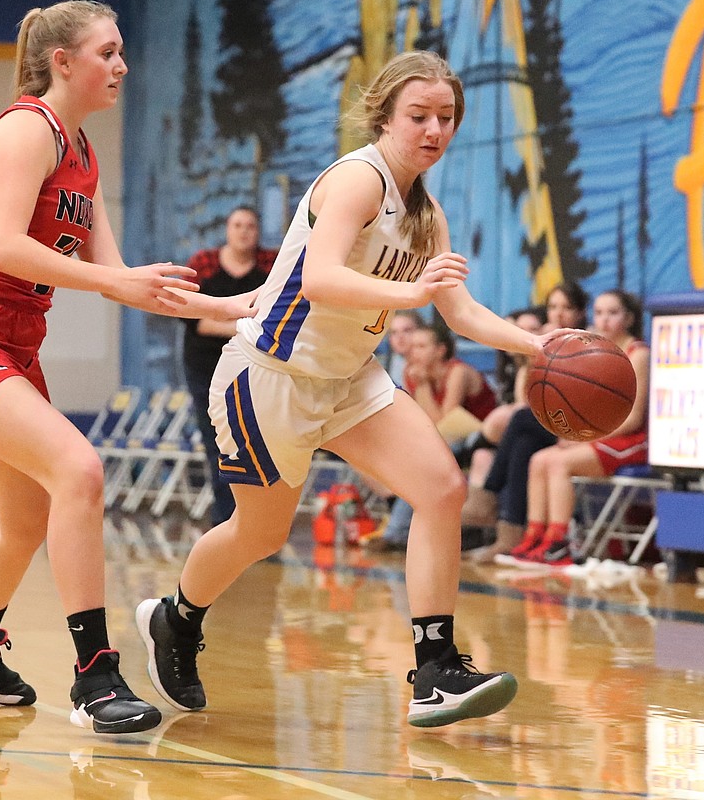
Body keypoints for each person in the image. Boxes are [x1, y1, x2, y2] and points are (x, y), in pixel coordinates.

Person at [134, 50, 572, 729]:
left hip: (348, 380)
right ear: (386, 116)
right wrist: (412, 291)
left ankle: (435, 669)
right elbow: (321, 280)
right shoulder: (357, 181)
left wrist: (539, 344)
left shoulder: (425, 214)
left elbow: (460, 312)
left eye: (446, 117)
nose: (434, 130)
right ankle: (177, 619)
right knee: (259, 534)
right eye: (419, 116)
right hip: (271, 376)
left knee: (442, 489)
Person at [0, 0, 254, 735]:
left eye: (122, 50)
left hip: (14, 346)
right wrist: (112, 283)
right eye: (109, 51)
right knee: (81, 470)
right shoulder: (27, 127)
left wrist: (243, 305)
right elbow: (3, 247)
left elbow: (125, 278)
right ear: (62, 62)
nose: (123, 64)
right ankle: (95, 676)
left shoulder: (85, 156)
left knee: (26, 517)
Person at [513, 290, 650, 566]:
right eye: (599, 313)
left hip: (633, 439)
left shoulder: (638, 353)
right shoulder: (592, 350)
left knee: (560, 464)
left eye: (613, 312)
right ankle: (535, 537)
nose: (604, 320)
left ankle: (560, 542)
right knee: (540, 459)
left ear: (630, 317)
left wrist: (583, 438)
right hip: (601, 434)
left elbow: (633, 419)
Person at [465, 281, 589, 563]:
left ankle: (488, 494)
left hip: (578, 427)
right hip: (551, 425)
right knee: (523, 445)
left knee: (519, 421)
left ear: (581, 313)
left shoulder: (586, 345)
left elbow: (537, 407)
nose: (558, 314)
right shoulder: (545, 344)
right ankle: (512, 536)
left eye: (566, 308)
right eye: (553, 307)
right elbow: (528, 396)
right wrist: (536, 356)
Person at [182, 206, 278, 527]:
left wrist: (232, 323)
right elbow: (199, 322)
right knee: (217, 445)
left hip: (256, 370)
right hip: (205, 370)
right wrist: (247, 325)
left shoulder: (270, 265)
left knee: (257, 445)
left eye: (250, 225)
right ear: (227, 229)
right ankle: (225, 521)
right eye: (237, 225)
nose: (244, 231)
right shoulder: (203, 265)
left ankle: (257, 523)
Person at [366, 322, 497, 552]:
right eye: (414, 346)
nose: (413, 351)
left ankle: (397, 532)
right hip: (448, 441)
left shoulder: (458, 372)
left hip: (480, 439)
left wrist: (424, 385)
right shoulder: (413, 373)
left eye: (421, 346)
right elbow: (422, 421)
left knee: (425, 460)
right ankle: (399, 511)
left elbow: (444, 423)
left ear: (440, 350)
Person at [382, 308, 425, 385]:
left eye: (406, 330)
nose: (400, 337)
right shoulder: (382, 365)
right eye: (394, 332)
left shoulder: (433, 363)